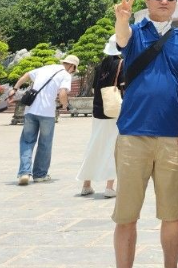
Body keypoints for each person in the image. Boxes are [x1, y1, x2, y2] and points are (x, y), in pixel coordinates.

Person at [111, 0, 178, 268]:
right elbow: (122, 39)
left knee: (172, 213)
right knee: (127, 214)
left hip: (171, 136)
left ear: (177, 1)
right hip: (133, 133)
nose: (164, 1)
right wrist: (122, 18)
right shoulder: (136, 32)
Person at [11, 54, 79, 185]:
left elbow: (26, 75)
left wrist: (14, 89)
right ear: (72, 66)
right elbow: (62, 93)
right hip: (47, 113)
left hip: (30, 111)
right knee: (45, 143)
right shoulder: (65, 74)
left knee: (27, 141)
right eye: (74, 70)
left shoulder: (45, 68)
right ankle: (40, 175)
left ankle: (24, 172)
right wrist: (65, 105)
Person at [77, 36, 124, 197]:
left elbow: (95, 87)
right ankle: (109, 186)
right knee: (113, 146)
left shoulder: (100, 66)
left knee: (95, 144)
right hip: (115, 110)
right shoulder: (121, 64)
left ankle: (86, 184)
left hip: (98, 109)